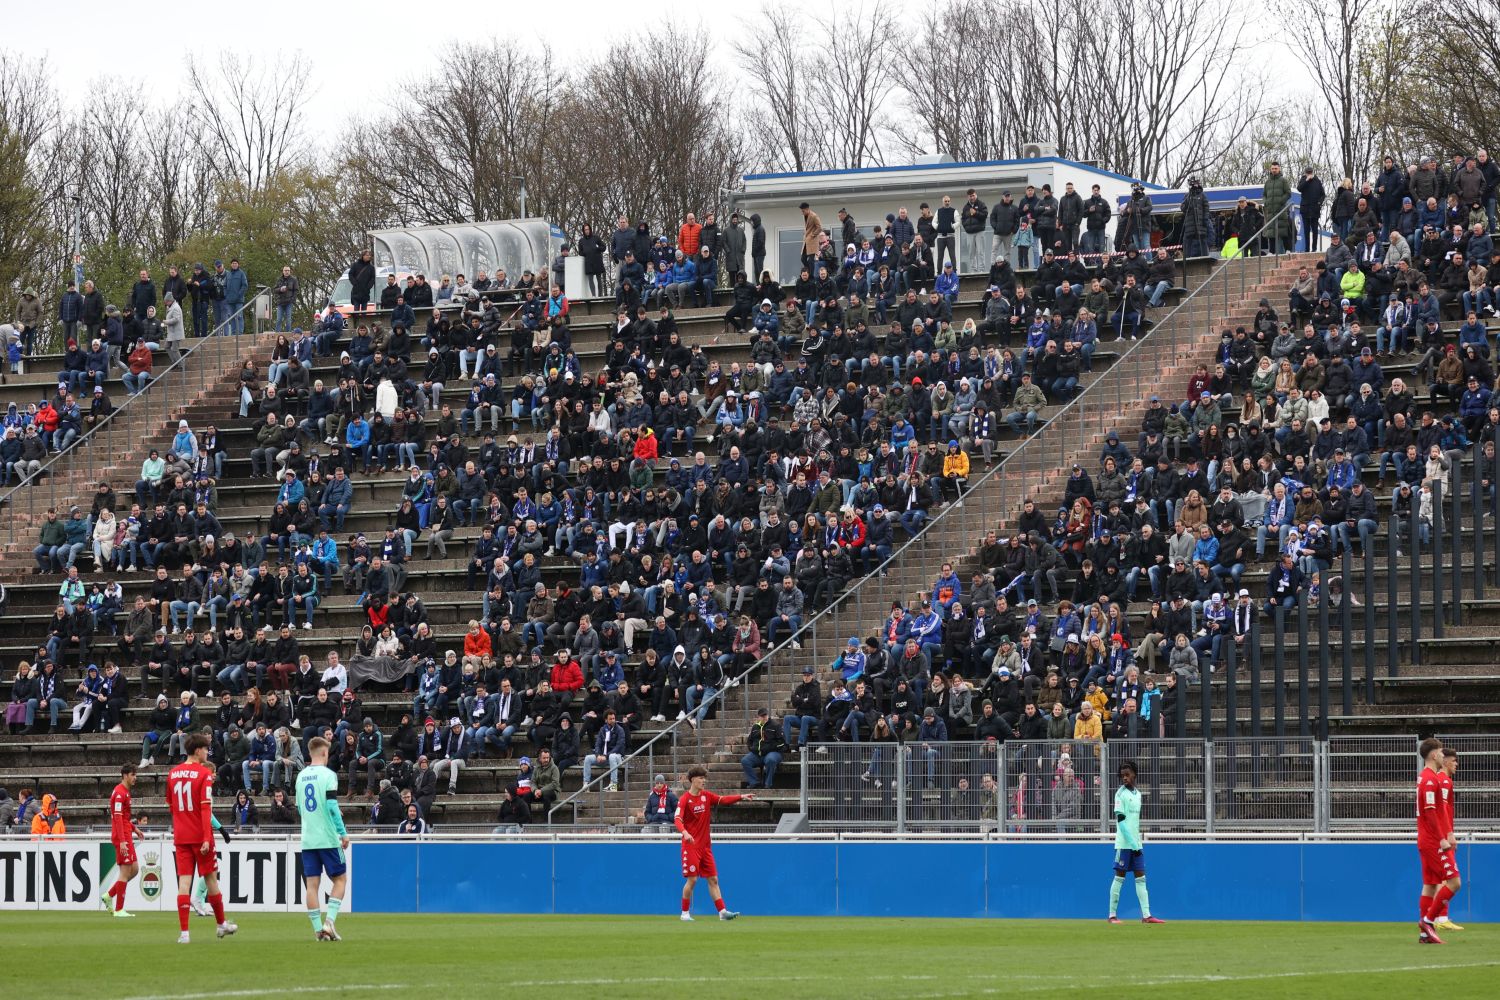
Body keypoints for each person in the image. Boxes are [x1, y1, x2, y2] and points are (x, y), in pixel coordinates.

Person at [167, 734, 237, 942]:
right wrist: (207, 837)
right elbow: (206, 808)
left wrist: (182, 822)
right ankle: (221, 924)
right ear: (198, 751)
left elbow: (170, 803)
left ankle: (184, 933)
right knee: (211, 879)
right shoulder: (204, 774)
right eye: (206, 749)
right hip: (200, 836)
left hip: (181, 836)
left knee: (184, 884)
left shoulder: (173, 773)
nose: (207, 752)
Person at [674, 765, 753, 921]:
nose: (704, 781)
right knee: (693, 879)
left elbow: (722, 800)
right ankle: (684, 913)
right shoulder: (684, 800)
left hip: (705, 847)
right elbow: (677, 819)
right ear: (693, 780)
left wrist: (741, 797)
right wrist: (684, 832)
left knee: (713, 879)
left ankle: (722, 912)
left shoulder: (706, 796)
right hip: (691, 846)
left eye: (705, 778)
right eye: (701, 778)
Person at [298, 736, 351, 941]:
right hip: (327, 838)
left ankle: (317, 930)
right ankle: (329, 923)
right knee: (340, 879)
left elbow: (300, 808)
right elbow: (331, 806)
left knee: (312, 885)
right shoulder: (329, 775)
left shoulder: (301, 776)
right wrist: (343, 833)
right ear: (324, 753)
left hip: (308, 839)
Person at [1107, 760, 1164, 924]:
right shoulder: (1120, 794)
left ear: (1134, 775)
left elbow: (1134, 823)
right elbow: (1122, 823)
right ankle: (1112, 916)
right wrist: (1133, 844)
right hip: (1125, 845)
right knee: (1119, 877)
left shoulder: (1138, 794)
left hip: (1136, 844)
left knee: (1141, 878)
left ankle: (1146, 916)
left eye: (1128, 774)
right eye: (1122, 776)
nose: (1125, 778)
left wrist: (1137, 844)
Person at [1415, 737, 1457, 943]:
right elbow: (1431, 812)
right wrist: (1443, 837)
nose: (1444, 756)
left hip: (1426, 839)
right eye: (1441, 753)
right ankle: (1429, 921)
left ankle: (1425, 935)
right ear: (1434, 755)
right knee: (1454, 882)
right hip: (1433, 840)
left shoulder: (1425, 777)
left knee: (1430, 885)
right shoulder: (1431, 780)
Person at [101, 763, 144, 917]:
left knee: (135, 869)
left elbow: (124, 818)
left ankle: (109, 895)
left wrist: (135, 828)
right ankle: (119, 909)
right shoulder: (120, 793)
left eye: (135, 775)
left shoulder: (125, 792)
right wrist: (122, 841)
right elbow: (118, 819)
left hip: (126, 834)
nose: (135, 778)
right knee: (125, 872)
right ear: (125, 775)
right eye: (133, 775)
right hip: (122, 837)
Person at [1430, 748, 1464, 933]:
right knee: (1447, 878)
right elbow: (1440, 810)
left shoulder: (1444, 781)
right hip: (1441, 837)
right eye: (1454, 760)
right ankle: (1438, 917)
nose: (1456, 764)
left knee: (1440, 878)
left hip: (1442, 835)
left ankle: (1435, 917)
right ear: (1445, 762)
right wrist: (1447, 835)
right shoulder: (1443, 781)